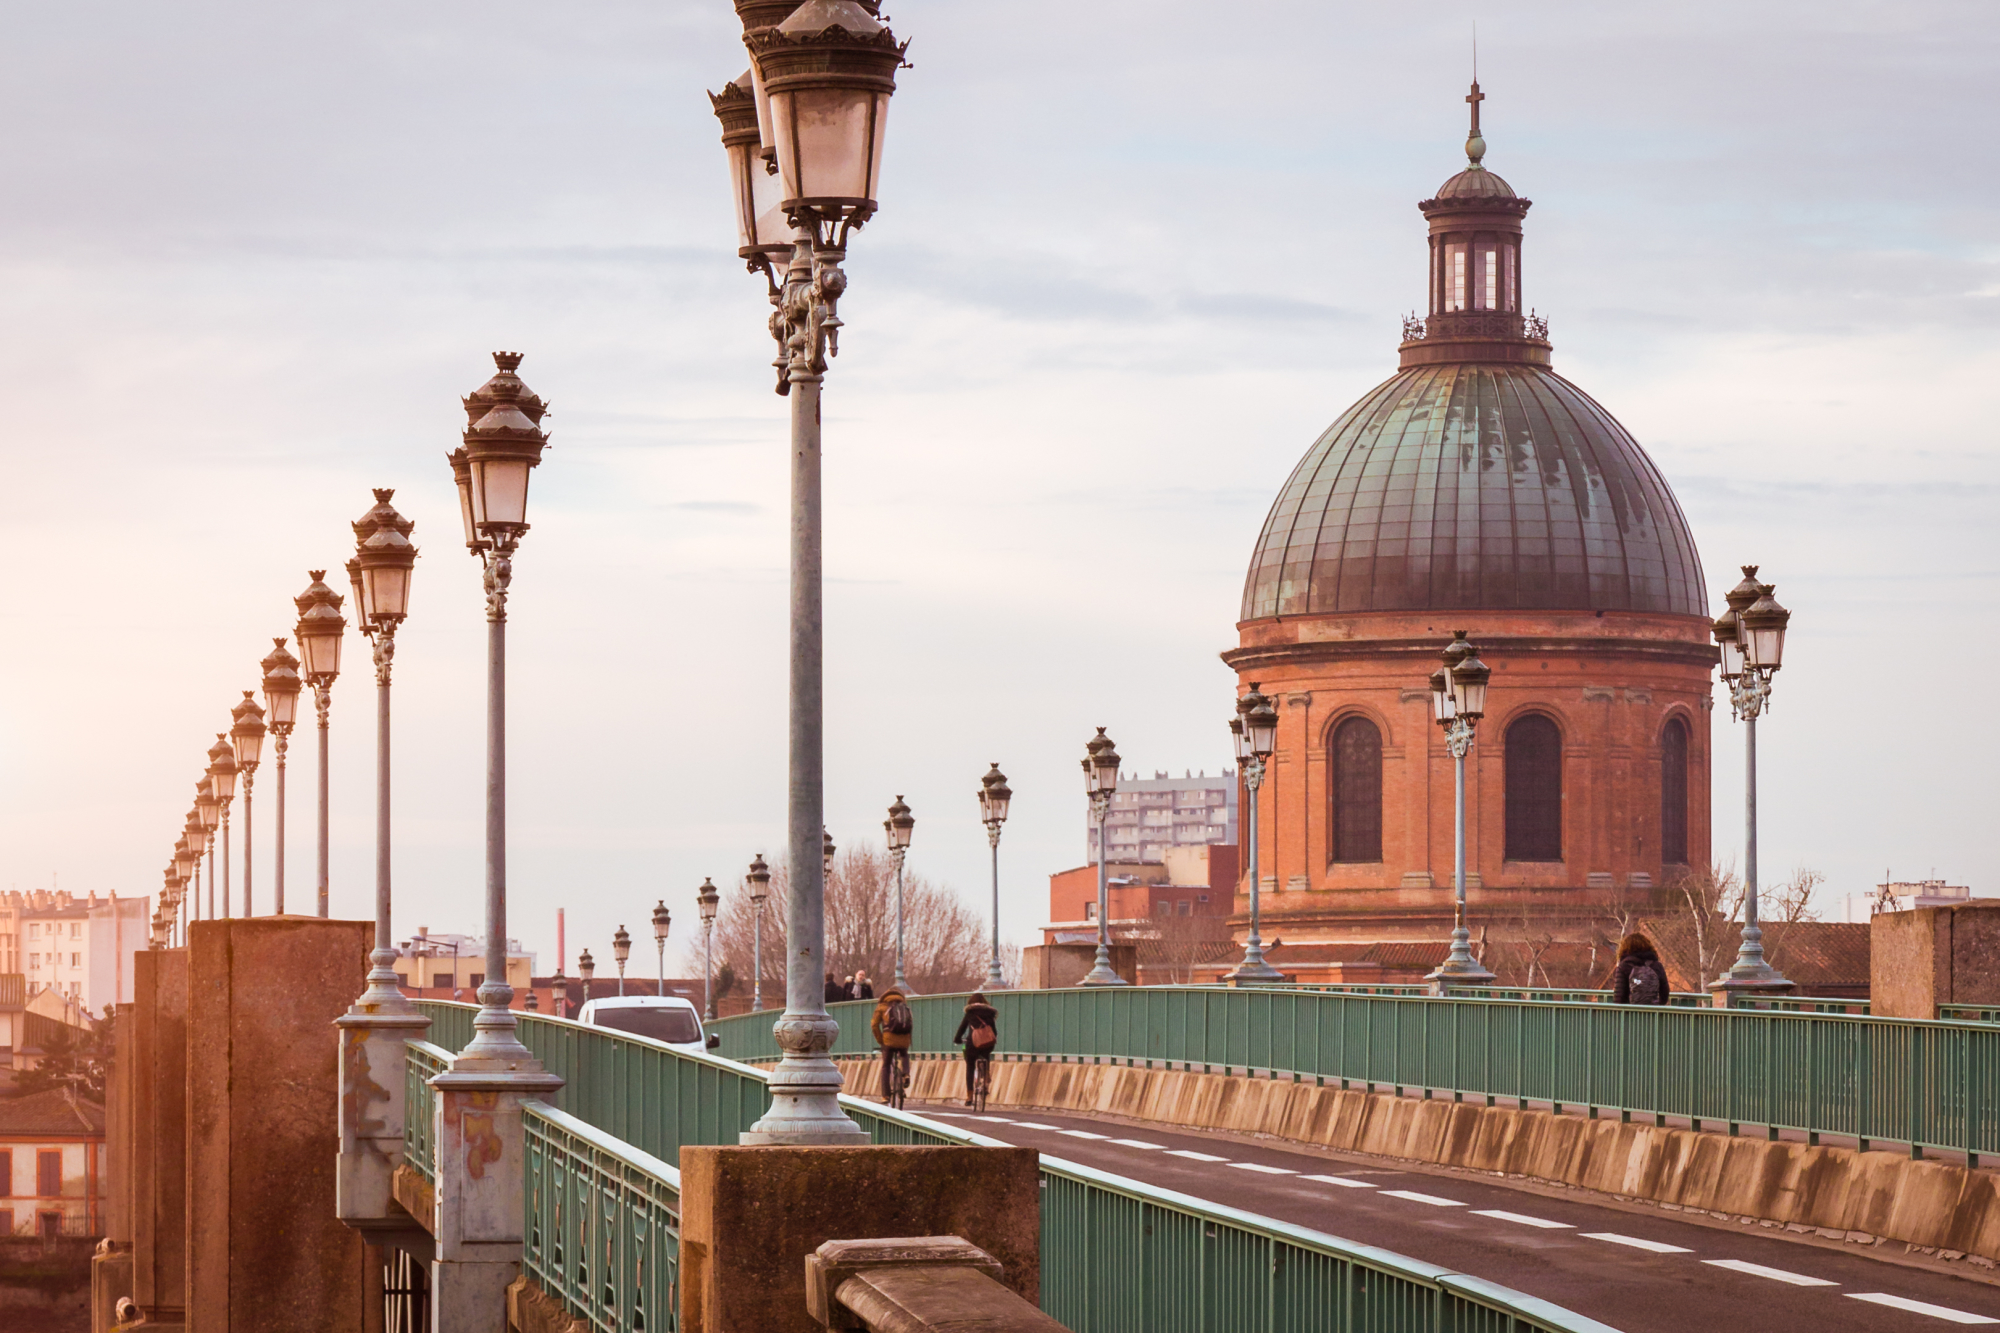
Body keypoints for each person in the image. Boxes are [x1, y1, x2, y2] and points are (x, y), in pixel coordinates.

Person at [952, 992, 998, 1106]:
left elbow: (962, 1029)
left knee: (970, 1066)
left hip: (972, 1044)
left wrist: (957, 1039)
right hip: (987, 1044)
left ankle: (969, 1096)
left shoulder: (970, 1013)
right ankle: (986, 1075)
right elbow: (995, 1032)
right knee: (986, 1053)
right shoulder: (990, 1013)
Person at [870, 986, 914, 1101]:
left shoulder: (882, 1006)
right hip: (904, 1040)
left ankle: (885, 1095)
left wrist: (881, 1040)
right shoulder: (905, 1007)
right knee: (904, 1054)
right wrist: (908, 1041)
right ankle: (906, 1073)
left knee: (886, 1066)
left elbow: (874, 1025)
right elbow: (910, 1025)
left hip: (888, 1040)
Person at [1613, 932, 1671, 1005]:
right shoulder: (1657, 966)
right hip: (1653, 1013)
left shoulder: (1624, 966)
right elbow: (1665, 993)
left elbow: (1619, 998)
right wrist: (1657, 1007)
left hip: (1631, 1013)